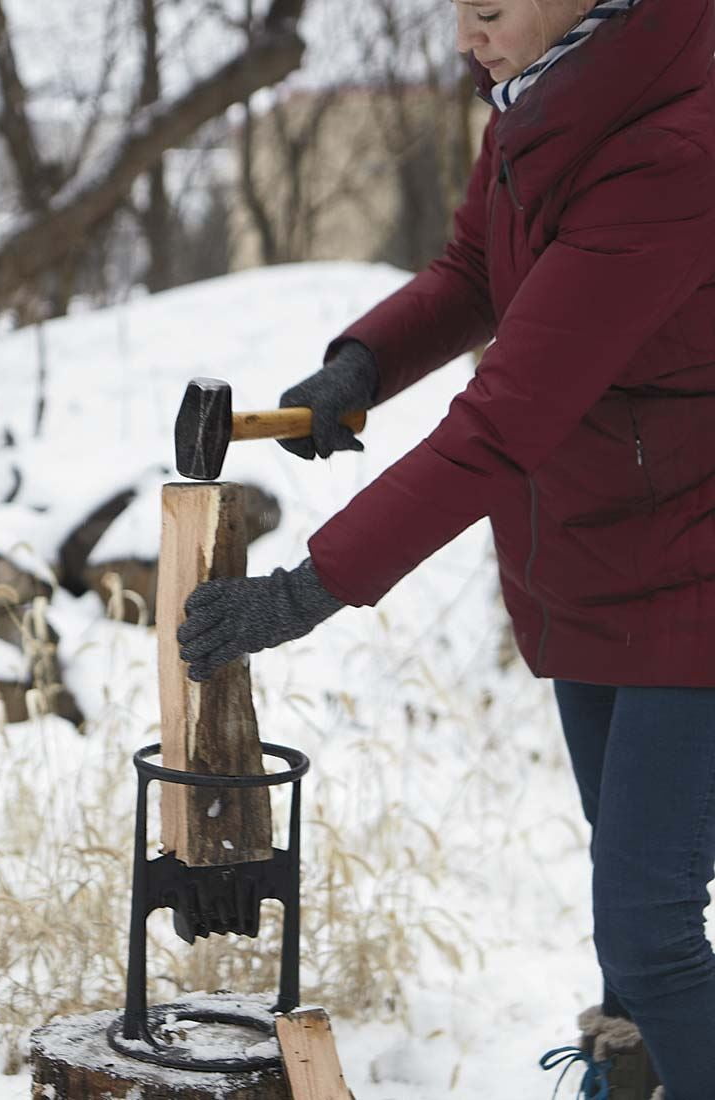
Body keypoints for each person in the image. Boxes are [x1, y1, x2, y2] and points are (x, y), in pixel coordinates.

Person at [176, 1, 715, 1097]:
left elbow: (504, 418)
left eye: (489, 8)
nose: (464, 32)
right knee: (630, 892)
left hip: (695, 561)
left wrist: (303, 591)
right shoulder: (542, 98)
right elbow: (478, 269)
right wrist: (364, 362)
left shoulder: (672, 148)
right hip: (599, 550)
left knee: (649, 921)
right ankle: (637, 1072)